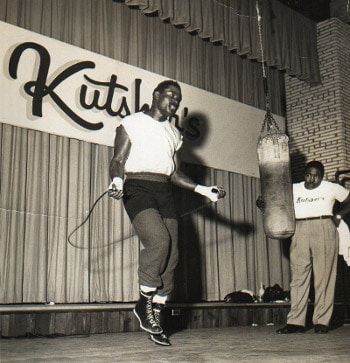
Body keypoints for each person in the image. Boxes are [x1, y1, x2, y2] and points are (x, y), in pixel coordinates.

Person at [108, 80, 226, 346]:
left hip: (163, 191)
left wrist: (204, 190)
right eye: (170, 95)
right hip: (137, 187)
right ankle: (144, 302)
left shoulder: (174, 134)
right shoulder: (132, 122)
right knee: (159, 241)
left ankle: (156, 313)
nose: (175, 101)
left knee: (172, 257)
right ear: (156, 95)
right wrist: (116, 181)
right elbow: (118, 160)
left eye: (179, 98)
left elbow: (174, 173)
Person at [257, 160, 350, 334]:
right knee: (299, 277)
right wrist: (264, 205)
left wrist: (338, 216)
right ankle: (295, 323)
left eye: (316, 176)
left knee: (324, 277)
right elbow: (276, 204)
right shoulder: (294, 188)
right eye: (308, 175)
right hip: (299, 229)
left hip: (324, 227)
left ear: (322, 177)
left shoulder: (331, 187)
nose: (311, 179)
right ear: (304, 174)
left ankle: (322, 321)